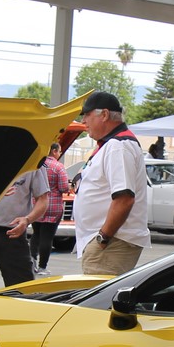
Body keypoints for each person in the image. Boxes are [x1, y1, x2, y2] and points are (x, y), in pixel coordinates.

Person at [74, 91, 149, 275]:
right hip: (110, 241)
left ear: (104, 114)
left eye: (87, 114)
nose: (84, 121)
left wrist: (102, 238)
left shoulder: (118, 145)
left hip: (113, 241)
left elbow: (124, 198)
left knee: (97, 302)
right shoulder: (111, 145)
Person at [0, 165, 49, 291]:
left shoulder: (34, 161)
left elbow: (43, 199)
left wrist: (27, 219)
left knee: (23, 291)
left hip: (15, 236)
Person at [32, 141, 69, 277]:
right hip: (53, 206)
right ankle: (42, 267)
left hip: (36, 205)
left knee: (36, 234)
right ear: (54, 151)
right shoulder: (58, 167)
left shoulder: (36, 164)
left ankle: (32, 262)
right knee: (47, 238)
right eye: (59, 151)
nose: (59, 154)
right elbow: (64, 187)